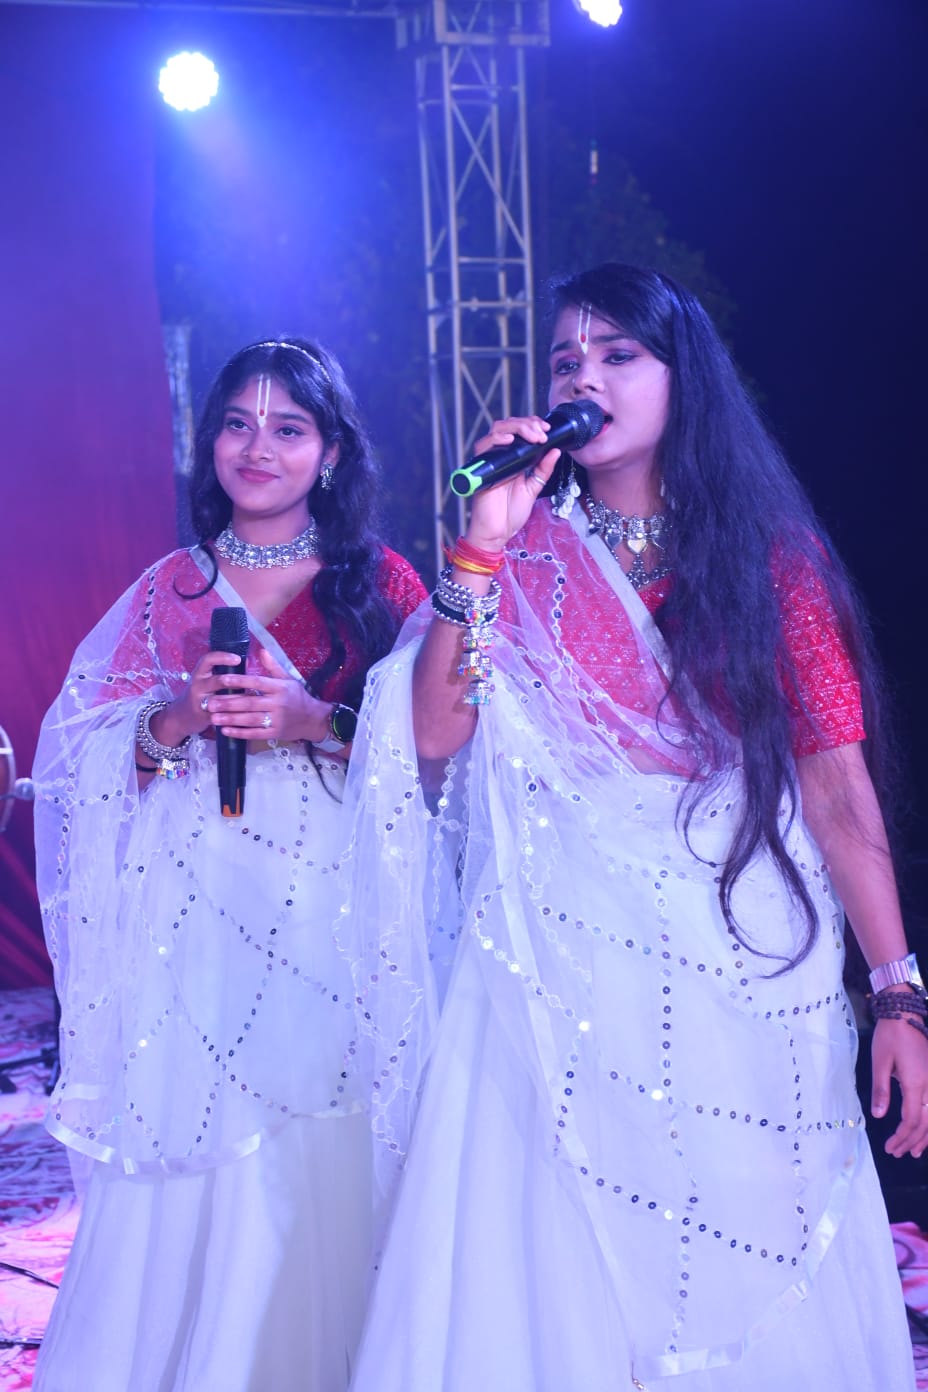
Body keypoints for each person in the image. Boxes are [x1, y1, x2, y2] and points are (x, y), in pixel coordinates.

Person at [340, 264, 927, 1390]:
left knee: (741, 1233)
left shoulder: (766, 560)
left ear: (681, 379)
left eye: (618, 356)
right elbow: (432, 734)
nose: (585, 379)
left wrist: (898, 991)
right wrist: (482, 545)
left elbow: (837, 786)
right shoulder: (525, 554)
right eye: (566, 361)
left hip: (741, 953)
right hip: (551, 961)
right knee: (553, 1257)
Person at [31, 338, 426, 1392]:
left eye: (288, 428)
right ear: (208, 443)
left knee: (322, 1126)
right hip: (196, 920)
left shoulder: (382, 584)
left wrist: (314, 719)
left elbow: (437, 754)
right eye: (238, 425)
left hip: (332, 914)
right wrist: (173, 717)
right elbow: (84, 761)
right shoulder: (169, 589)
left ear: (331, 453)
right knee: (204, 1140)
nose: (259, 447)